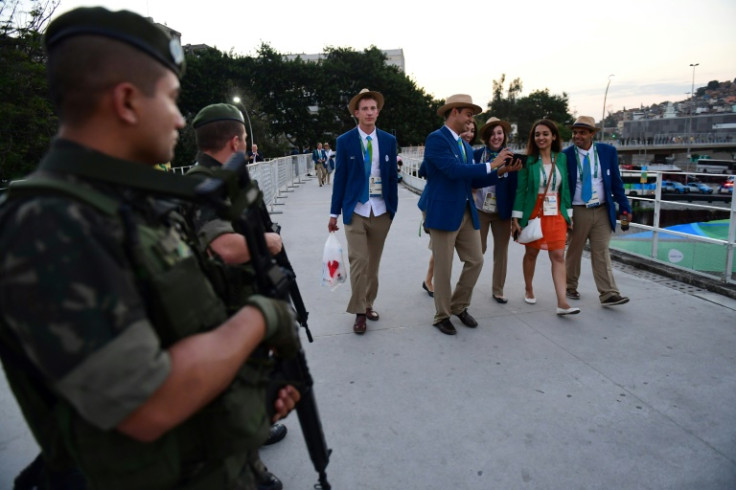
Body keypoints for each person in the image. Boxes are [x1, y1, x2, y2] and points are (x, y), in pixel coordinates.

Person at [0, 8, 300, 489]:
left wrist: (251, 388)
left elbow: (183, 323)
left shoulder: (134, 201)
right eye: (172, 99)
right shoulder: (49, 223)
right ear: (127, 101)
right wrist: (264, 317)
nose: (181, 119)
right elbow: (147, 402)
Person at [189, 103, 291, 490]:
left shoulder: (222, 177)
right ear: (235, 141)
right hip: (221, 306)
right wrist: (269, 242)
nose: (247, 145)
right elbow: (225, 247)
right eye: (245, 139)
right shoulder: (207, 184)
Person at [418, 94, 515, 335]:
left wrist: (502, 171)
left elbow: (472, 177)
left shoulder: (464, 145)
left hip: (465, 211)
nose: (472, 120)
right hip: (443, 213)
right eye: (469, 114)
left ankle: (458, 305)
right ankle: (441, 315)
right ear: (454, 113)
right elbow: (453, 171)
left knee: (475, 260)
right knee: (443, 267)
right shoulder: (436, 139)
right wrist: (491, 165)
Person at [328, 88, 398, 335]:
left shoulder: (388, 140)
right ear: (357, 113)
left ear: (377, 112)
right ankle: (359, 312)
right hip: (355, 210)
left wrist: (392, 210)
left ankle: (368, 304)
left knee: (373, 266)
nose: (369, 112)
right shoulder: (345, 141)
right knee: (359, 261)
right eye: (364, 109)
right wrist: (334, 213)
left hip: (380, 211)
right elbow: (340, 180)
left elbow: (391, 178)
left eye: (373, 108)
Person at [511, 119, 580, 315]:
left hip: (556, 211)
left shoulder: (562, 159)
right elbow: (521, 191)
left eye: (545, 134)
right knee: (531, 253)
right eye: (537, 134)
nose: (541, 137)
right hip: (535, 211)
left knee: (558, 255)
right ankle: (529, 288)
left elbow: (565, 188)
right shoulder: (529, 161)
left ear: (554, 137)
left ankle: (562, 302)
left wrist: (569, 214)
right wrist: (516, 217)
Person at [563, 116, 632, 306]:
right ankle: (569, 285)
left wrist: (625, 207)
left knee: (601, 251)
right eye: (575, 132)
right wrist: (565, 214)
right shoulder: (566, 155)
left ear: (592, 134)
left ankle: (608, 293)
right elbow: (562, 188)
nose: (577, 136)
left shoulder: (608, 152)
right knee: (575, 250)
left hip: (602, 209)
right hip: (577, 210)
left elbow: (616, 182)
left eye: (582, 133)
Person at [473, 117, 521, 304]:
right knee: (478, 251)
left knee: (501, 251)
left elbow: (516, 188)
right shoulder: (477, 155)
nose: (496, 137)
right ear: (486, 136)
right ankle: (468, 285)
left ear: (504, 135)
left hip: (502, 211)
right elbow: (472, 179)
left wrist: (515, 218)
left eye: (499, 133)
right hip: (480, 209)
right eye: (492, 134)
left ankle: (498, 289)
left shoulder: (512, 157)